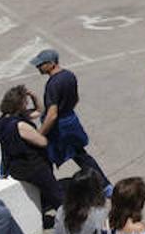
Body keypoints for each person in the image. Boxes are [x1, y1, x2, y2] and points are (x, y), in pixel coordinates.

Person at [34, 50, 110, 188]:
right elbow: (75, 99)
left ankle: (50, 191)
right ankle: (105, 185)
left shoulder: (53, 84)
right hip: (71, 120)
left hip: (59, 128)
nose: (37, 67)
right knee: (81, 155)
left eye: (41, 64)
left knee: (45, 157)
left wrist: (40, 134)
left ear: (51, 64)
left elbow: (52, 115)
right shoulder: (69, 76)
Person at [0, 84, 62, 226]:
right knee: (56, 195)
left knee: (45, 193)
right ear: (19, 105)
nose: (27, 104)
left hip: (16, 166)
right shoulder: (20, 125)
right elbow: (42, 142)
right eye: (25, 102)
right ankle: (69, 221)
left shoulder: (2, 121)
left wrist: (34, 97)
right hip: (33, 167)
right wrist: (43, 133)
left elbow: (39, 111)